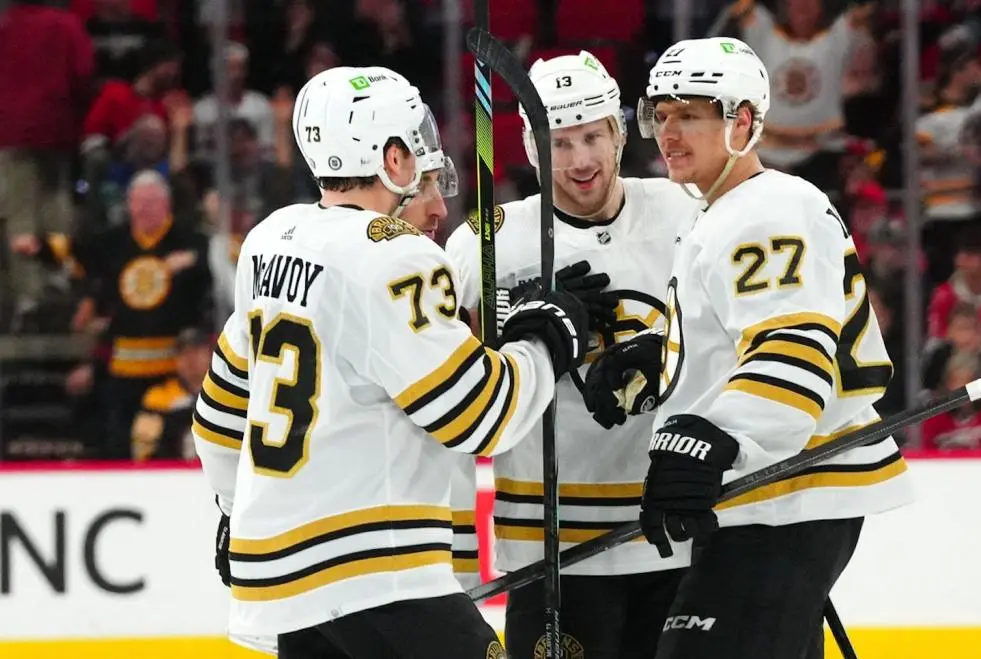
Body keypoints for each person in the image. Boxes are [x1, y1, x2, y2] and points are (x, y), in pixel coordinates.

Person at [192, 65, 601, 659]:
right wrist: (542, 341)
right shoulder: (398, 258)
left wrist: (234, 511)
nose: (439, 207)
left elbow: (220, 414)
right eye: (430, 177)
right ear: (393, 159)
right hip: (373, 569)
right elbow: (478, 416)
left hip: (280, 580)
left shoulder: (270, 239)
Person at [582, 37, 913, 659]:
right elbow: (747, 331)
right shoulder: (727, 212)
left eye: (690, 114)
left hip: (790, 489)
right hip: (762, 496)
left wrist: (707, 440)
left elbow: (792, 352)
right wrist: (663, 356)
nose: (668, 132)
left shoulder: (768, 210)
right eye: (662, 113)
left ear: (741, 121)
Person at [445, 50, 702, 659]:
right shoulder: (484, 246)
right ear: (533, 151)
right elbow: (448, 402)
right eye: (560, 143)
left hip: (677, 528)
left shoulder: (688, 214)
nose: (582, 160)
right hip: (548, 547)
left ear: (619, 132)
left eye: (593, 136)